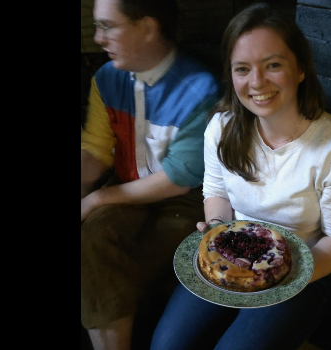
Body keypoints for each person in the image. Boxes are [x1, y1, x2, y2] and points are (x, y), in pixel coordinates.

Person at [150, 3, 331, 350]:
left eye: (272, 65)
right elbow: (216, 193)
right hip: (230, 263)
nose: (256, 82)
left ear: (300, 68)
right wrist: (217, 231)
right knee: (166, 345)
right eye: (242, 69)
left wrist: (278, 276)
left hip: (307, 270)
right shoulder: (221, 129)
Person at [80, 0, 220, 349]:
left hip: (185, 198)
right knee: (97, 234)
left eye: (107, 26)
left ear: (147, 27)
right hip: (128, 187)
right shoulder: (106, 79)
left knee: (104, 247)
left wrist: (95, 198)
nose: (98, 38)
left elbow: (179, 176)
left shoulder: (200, 89)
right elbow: (96, 153)